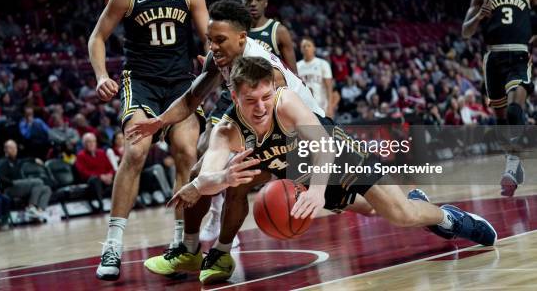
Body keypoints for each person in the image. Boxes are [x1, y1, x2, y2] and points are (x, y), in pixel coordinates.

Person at [167, 57, 497, 284]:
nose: (261, 107)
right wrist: (216, 180)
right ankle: (413, 200)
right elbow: (207, 173)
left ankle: (451, 220)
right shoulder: (227, 129)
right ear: (235, 97)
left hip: (339, 155)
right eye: (251, 100)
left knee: (401, 215)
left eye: (266, 96)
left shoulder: (285, 104)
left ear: (274, 90)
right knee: (370, 209)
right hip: (302, 171)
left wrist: (315, 191)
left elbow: (322, 146)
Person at [127, 0, 325, 277]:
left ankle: (217, 253)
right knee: (206, 173)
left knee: (234, 179)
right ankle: (194, 250)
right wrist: (159, 121)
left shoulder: (268, 73)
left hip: (304, 139)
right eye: (210, 40)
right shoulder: (218, 58)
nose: (213, 47)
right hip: (266, 129)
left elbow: (274, 123)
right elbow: (191, 98)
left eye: (220, 40)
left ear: (242, 38)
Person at [88, 0, 209, 281]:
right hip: (139, 83)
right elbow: (97, 37)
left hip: (180, 84)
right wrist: (100, 76)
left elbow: (208, 36)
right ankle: (112, 243)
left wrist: (207, 56)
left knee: (187, 151)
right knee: (137, 151)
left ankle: (181, 244)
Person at [198, 0, 297, 243]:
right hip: (236, 96)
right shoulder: (227, 34)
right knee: (205, 150)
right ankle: (219, 217)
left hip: (266, 101)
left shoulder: (277, 31)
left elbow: (290, 75)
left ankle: (223, 217)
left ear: (265, 2)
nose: (252, 3)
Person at [461, 0, 537, 196]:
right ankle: (514, 165)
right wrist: (478, 18)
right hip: (493, 58)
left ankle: (513, 164)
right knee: (501, 119)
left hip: (518, 54)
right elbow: (466, 32)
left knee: (516, 108)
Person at [0, 139, 51, 221]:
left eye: (15, 148)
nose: (15, 150)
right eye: (12, 148)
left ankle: (39, 211)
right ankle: (31, 207)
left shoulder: (17, 161)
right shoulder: (3, 162)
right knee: (38, 182)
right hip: (9, 188)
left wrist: (34, 159)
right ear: (6, 150)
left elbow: (25, 160)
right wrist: (11, 183)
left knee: (46, 189)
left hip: (20, 187)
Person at [297, 37, 336, 118]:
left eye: (309, 45)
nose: (306, 48)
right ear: (300, 49)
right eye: (304, 46)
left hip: (322, 107)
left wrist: (330, 106)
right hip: (304, 108)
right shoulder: (297, 66)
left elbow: (329, 87)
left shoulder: (323, 64)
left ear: (314, 48)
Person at [75, 133, 115, 212]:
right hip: (92, 180)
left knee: (119, 175)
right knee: (95, 180)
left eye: (93, 141)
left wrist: (110, 175)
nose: (91, 144)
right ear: (84, 144)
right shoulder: (80, 155)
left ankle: (131, 200)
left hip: (106, 178)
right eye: (88, 142)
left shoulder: (101, 153)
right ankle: (101, 205)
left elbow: (110, 168)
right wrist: (100, 177)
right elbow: (83, 172)